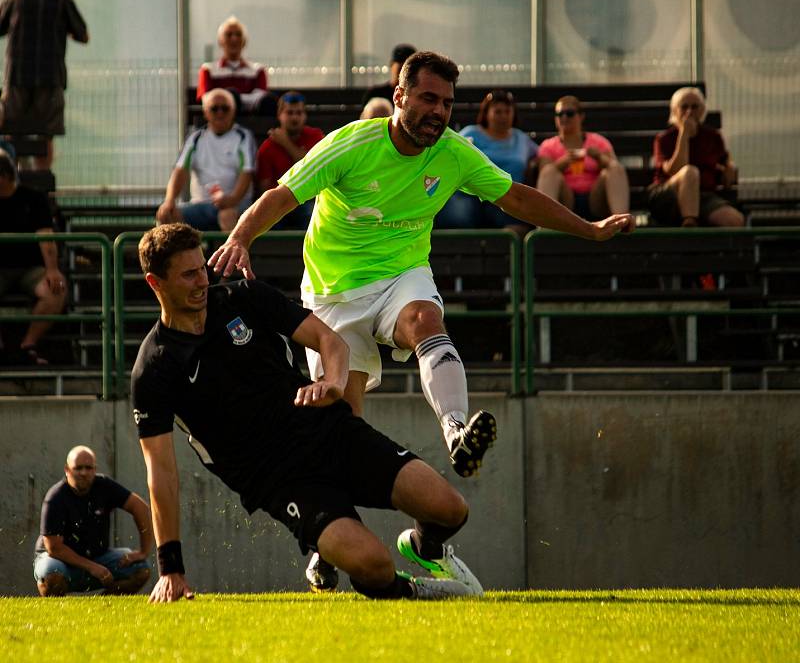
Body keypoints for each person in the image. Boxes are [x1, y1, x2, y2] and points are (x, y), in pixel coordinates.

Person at [208, 50, 632, 592]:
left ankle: (455, 430)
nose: (439, 112)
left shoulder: (454, 152)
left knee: (425, 317)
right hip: (334, 295)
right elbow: (281, 195)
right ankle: (327, 544)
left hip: (402, 274)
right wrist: (241, 237)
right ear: (401, 95)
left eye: (448, 103)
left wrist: (591, 230)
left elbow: (519, 198)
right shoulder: (351, 143)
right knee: (341, 420)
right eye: (429, 99)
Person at [132, 223, 483, 603]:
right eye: (188, 274)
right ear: (156, 283)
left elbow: (328, 340)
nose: (202, 280)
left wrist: (333, 381)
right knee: (374, 565)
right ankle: (415, 592)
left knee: (451, 509)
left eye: (202, 268)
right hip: (278, 479)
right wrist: (170, 568)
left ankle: (423, 545)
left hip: (329, 432)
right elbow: (161, 473)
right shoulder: (153, 368)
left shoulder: (243, 297)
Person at [33, 445, 153, 596]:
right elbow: (54, 548)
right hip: (60, 561)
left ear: (95, 469)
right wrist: (92, 567)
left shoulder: (104, 486)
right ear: (67, 470)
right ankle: (59, 612)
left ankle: (104, 606)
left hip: (99, 558)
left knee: (141, 569)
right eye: (78, 468)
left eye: (88, 468)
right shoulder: (55, 497)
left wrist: (144, 551)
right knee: (52, 575)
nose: (84, 473)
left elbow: (141, 508)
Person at [0, 0, 89, 170]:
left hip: (17, 78)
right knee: (46, 134)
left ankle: (14, 177)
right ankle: (42, 183)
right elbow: (83, 36)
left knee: (12, 130)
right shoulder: (62, 1)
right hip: (50, 79)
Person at [437, 89, 539, 235]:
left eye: (507, 111)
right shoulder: (471, 133)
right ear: (487, 113)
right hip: (473, 197)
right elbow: (450, 154)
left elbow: (542, 155)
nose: (503, 116)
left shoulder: (521, 139)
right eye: (498, 112)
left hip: (507, 198)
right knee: (457, 215)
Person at [157, 88, 256, 232]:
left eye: (225, 108)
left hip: (236, 204)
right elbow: (180, 170)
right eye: (214, 109)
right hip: (201, 204)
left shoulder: (243, 137)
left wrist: (232, 200)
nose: (220, 113)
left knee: (227, 215)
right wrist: (169, 200)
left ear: (233, 111)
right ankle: (178, 255)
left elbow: (246, 174)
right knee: (167, 214)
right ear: (206, 112)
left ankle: (228, 255)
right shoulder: (195, 138)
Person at [0, 149, 66, 365]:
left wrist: (52, 270)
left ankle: (27, 345)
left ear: (5, 176)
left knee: (56, 291)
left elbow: (45, 236)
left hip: (30, 270)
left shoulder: (33, 199)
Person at [647, 87, 744, 228]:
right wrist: (684, 135)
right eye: (684, 107)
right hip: (669, 195)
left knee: (734, 220)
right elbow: (674, 170)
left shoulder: (713, 137)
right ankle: (690, 222)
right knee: (689, 172)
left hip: (702, 196)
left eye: (695, 107)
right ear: (675, 111)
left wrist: (728, 168)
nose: (689, 112)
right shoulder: (664, 139)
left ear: (702, 110)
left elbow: (725, 160)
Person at [536, 96, 630, 223]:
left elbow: (615, 169)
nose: (564, 118)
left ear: (581, 116)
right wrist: (564, 162)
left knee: (615, 168)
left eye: (569, 113)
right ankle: (546, 229)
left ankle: (621, 223)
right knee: (549, 172)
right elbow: (544, 174)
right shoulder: (548, 146)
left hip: (596, 199)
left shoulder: (598, 142)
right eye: (559, 114)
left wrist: (599, 157)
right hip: (565, 201)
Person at [256, 91, 324, 230]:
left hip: (309, 199)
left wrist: (286, 143)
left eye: (299, 113)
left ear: (305, 115)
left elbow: (313, 168)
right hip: (280, 201)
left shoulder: (315, 137)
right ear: (279, 115)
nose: (294, 117)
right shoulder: (267, 148)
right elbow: (265, 187)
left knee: (312, 214)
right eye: (289, 113)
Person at [196, 16, 275, 116]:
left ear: (244, 41)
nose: (234, 39)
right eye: (228, 35)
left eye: (238, 34)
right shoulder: (208, 70)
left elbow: (261, 101)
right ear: (220, 41)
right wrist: (235, 99)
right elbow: (207, 100)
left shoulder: (258, 70)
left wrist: (232, 98)